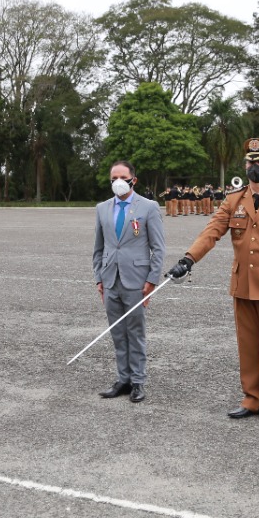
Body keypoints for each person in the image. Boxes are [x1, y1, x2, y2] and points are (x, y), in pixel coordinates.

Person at [167, 138, 259, 424]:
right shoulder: (234, 200)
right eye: (250, 162)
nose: (253, 167)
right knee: (247, 345)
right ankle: (251, 397)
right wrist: (188, 259)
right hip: (243, 284)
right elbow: (211, 232)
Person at [93, 161, 166, 403]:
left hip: (136, 281)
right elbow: (99, 247)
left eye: (123, 176)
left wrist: (152, 280)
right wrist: (98, 278)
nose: (118, 181)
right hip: (110, 279)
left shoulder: (148, 207)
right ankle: (122, 379)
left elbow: (158, 247)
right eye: (114, 177)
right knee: (117, 333)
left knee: (135, 333)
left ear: (133, 179)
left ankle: (137, 381)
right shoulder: (102, 208)